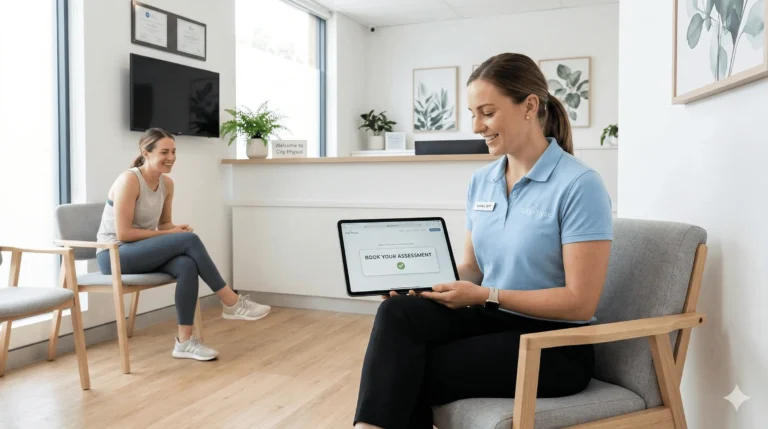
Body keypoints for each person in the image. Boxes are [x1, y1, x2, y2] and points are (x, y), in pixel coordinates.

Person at [353, 53, 614, 429]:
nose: (477, 126)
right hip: (493, 320)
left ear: (529, 107)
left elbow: (579, 302)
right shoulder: (482, 180)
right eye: (473, 114)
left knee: (410, 367)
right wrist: (422, 283)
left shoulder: (579, 184)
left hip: (555, 346)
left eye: (487, 112)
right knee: (396, 313)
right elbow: (472, 269)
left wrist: (487, 296)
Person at [95, 128, 271, 361]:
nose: (171, 158)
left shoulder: (167, 184)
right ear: (145, 153)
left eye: (174, 152)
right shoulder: (129, 180)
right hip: (114, 255)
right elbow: (124, 233)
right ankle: (230, 301)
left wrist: (174, 230)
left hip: (138, 252)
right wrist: (174, 237)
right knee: (188, 241)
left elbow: (163, 224)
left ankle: (185, 342)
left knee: (186, 264)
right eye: (164, 152)